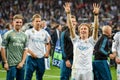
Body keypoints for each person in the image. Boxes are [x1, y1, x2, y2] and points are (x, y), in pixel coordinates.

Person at [64, 2, 99, 80]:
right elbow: (71, 27)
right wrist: (68, 14)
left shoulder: (91, 41)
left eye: (85, 29)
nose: (83, 30)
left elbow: (96, 28)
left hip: (88, 71)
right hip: (76, 70)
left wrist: (96, 16)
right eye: (81, 29)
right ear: (79, 31)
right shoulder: (75, 40)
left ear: (88, 31)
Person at [1, 14, 28, 80]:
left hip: (21, 64)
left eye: (20, 22)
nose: (19, 24)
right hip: (11, 64)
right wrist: (5, 62)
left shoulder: (24, 35)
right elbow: (3, 48)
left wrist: (22, 62)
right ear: (13, 22)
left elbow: (26, 49)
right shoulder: (8, 34)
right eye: (17, 22)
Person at [25, 14, 51, 80]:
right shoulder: (28, 32)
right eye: (36, 21)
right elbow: (24, 45)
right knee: (28, 76)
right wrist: (31, 53)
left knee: (40, 77)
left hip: (41, 58)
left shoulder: (45, 33)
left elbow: (48, 43)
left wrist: (47, 52)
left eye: (39, 21)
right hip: (31, 58)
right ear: (33, 22)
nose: (38, 23)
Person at [60, 13, 77, 80]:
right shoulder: (64, 33)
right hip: (68, 60)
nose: (73, 23)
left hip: (77, 60)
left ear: (76, 23)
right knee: (64, 77)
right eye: (71, 21)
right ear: (67, 23)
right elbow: (62, 47)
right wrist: (66, 60)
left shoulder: (79, 33)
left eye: (74, 21)